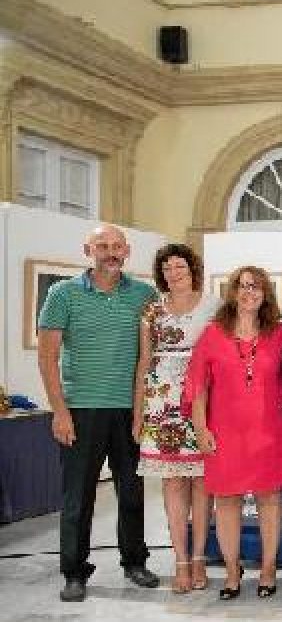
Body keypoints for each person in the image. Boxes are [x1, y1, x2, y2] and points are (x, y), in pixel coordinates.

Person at [36, 224, 160, 602]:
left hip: (129, 411)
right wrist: (59, 412)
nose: (110, 252)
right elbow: (47, 358)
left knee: (133, 493)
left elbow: (150, 358)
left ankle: (134, 561)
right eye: (102, 246)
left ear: (127, 251)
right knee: (78, 498)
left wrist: (145, 411)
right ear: (87, 249)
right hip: (80, 410)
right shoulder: (62, 293)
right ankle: (75, 572)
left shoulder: (145, 295)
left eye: (116, 246)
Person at [185, 266, 282, 600]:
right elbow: (196, 386)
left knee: (269, 500)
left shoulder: (281, 333)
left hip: (268, 431)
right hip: (224, 433)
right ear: (232, 292)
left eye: (256, 286)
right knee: (226, 501)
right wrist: (200, 429)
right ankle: (232, 571)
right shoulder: (213, 334)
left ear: (266, 293)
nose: (249, 292)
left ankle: (269, 569)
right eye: (243, 286)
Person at [132, 243, 219, 593]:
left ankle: (200, 558)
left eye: (179, 266)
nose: (173, 273)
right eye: (166, 268)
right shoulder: (152, 310)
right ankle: (180, 561)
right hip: (161, 401)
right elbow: (143, 360)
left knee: (203, 483)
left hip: (203, 398)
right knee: (172, 482)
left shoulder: (213, 304)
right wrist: (138, 411)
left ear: (192, 268)